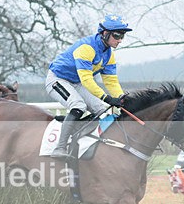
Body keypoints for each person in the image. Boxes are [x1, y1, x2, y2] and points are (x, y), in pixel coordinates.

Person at [45, 13, 131, 159]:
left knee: (103, 110)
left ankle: (84, 141)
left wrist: (121, 97)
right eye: (117, 35)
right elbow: (87, 80)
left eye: (122, 36)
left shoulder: (109, 54)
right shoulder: (86, 48)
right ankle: (59, 148)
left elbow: (110, 81)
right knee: (78, 105)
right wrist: (106, 97)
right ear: (105, 33)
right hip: (58, 79)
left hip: (76, 82)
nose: (120, 40)